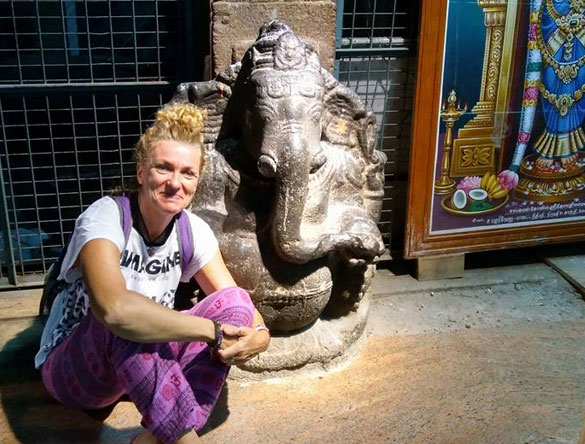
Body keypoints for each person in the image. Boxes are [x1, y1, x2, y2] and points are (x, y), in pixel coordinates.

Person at [34, 102, 271, 444]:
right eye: (164, 168)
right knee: (127, 317)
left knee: (234, 303)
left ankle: (152, 439)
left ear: (197, 180)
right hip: (77, 370)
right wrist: (212, 331)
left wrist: (261, 334)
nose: (176, 183)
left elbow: (236, 305)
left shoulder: (193, 230)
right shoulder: (106, 216)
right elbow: (114, 309)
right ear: (142, 172)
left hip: (140, 361)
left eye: (187, 173)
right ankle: (184, 438)